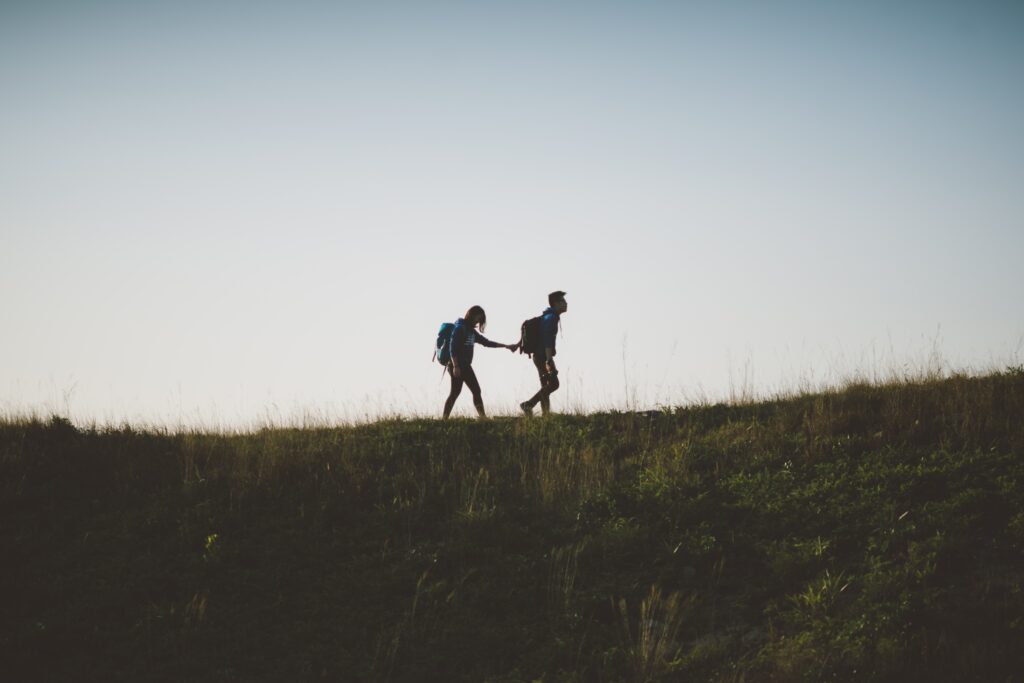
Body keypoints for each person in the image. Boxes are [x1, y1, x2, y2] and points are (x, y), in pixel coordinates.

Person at [444, 305, 517, 419]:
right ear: (471, 315)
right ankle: (482, 418)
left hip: (464, 365)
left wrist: (506, 346)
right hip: (458, 365)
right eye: (478, 318)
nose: (478, 321)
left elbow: (486, 342)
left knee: (458, 393)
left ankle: (446, 419)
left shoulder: (470, 331)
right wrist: (456, 366)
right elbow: (452, 348)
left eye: (480, 319)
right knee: (473, 390)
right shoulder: (460, 328)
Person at [520, 291, 567, 416]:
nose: (566, 303)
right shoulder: (551, 318)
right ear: (556, 303)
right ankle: (528, 404)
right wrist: (549, 360)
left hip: (540, 355)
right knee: (554, 384)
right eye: (563, 301)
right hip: (543, 356)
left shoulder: (549, 316)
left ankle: (545, 414)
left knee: (545, 385)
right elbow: (547, 339)